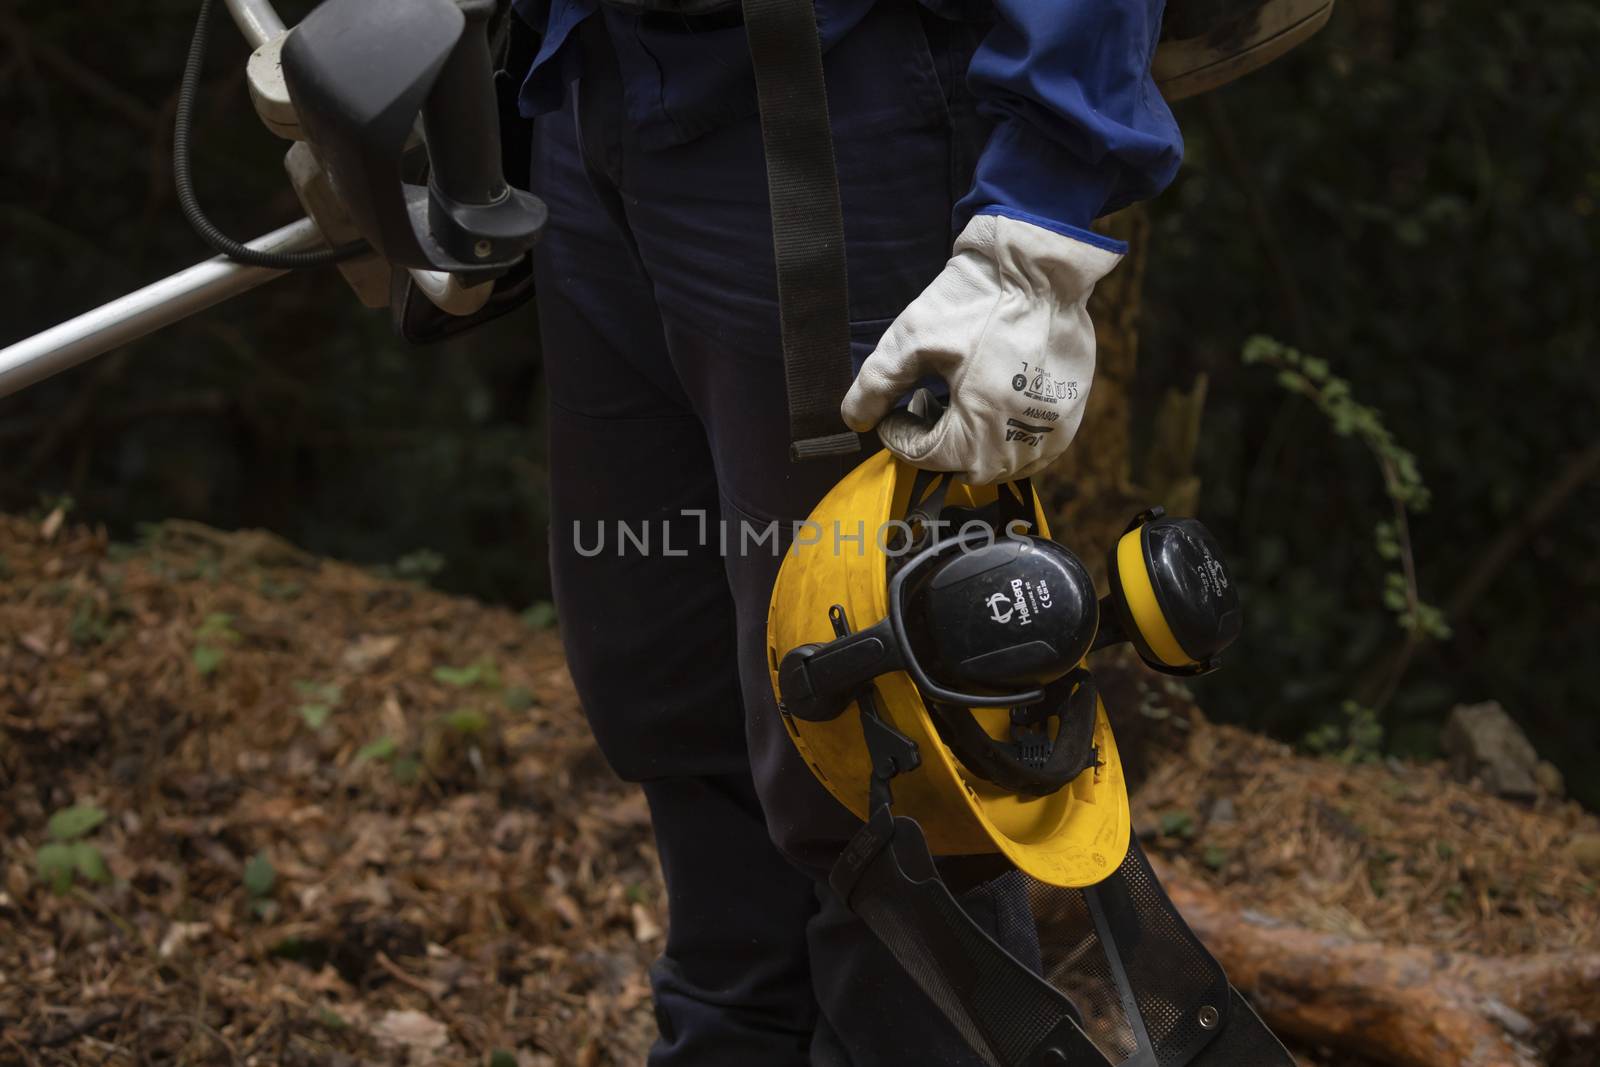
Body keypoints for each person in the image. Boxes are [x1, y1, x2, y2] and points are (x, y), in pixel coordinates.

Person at [511, 1, 1182, 1062]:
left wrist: (1044, 209)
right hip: (591, 92)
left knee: (890, 748)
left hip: (839, 108)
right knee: (666, 682)